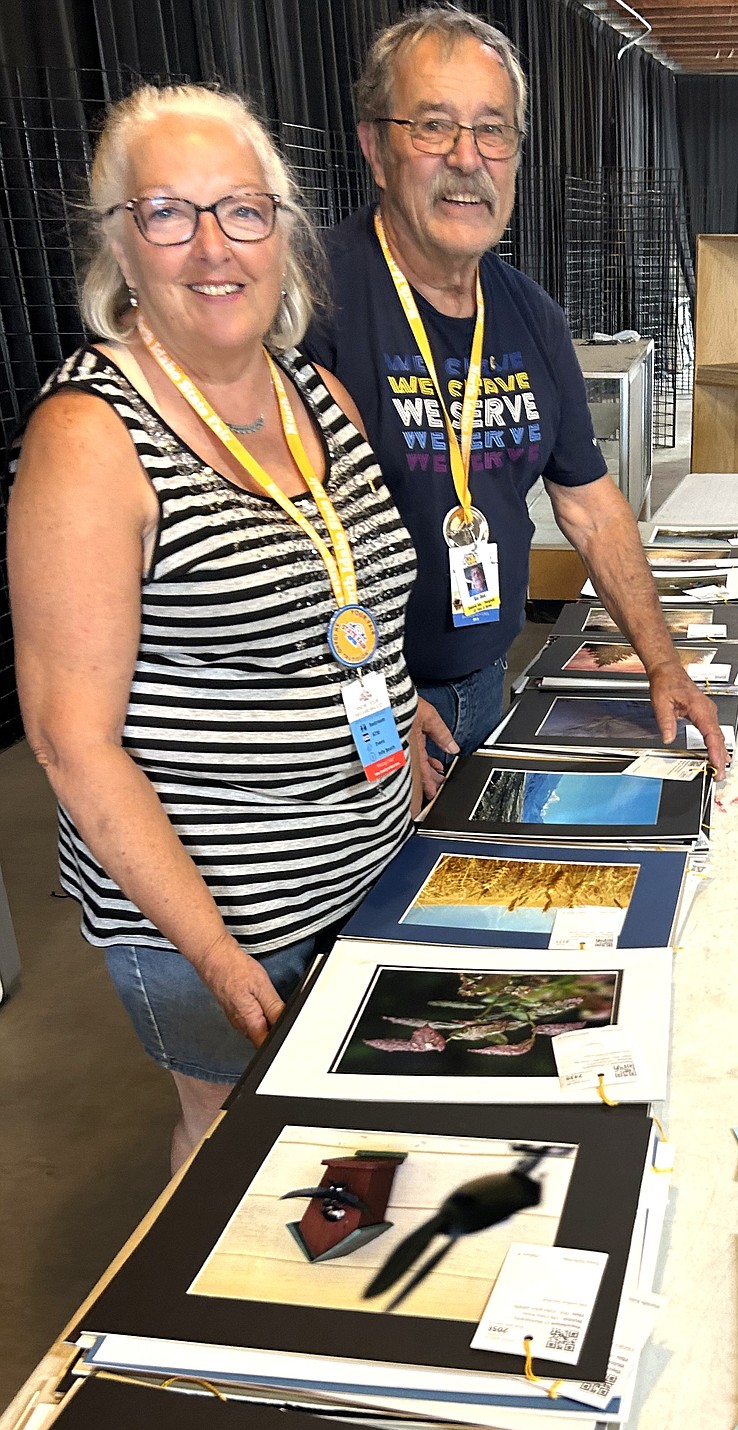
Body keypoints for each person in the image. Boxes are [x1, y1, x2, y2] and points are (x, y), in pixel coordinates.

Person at [9, 85, 420, 1169]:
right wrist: (218, 956)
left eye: (241, 209)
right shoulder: (90, 435)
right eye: (167, 213)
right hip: (221, 920)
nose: (210, 247)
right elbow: (68, 739)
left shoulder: (312, 392)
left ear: (283, 233)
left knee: (351, 1146)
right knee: (237, 1156)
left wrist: (397, 698)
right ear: (119, 246)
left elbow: (350, 594)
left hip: (362, 868)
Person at [304, 7, 727, 798]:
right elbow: (285, 560)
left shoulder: (531, 314)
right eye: (433, 126)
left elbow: (593, 508)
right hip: (356, 708)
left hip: (485, 677)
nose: (468, 159)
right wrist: (385, 700)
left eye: (492, 131)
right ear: (375, 147)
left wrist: (662, 661)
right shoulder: (311, 300)